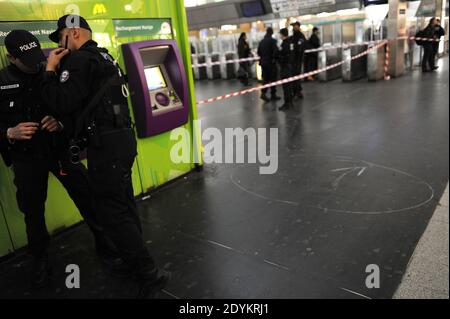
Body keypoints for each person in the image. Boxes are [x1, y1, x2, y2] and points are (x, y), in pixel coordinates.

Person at [39, 15, 168, 298]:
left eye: (59, 37)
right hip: (122, 139)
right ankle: (135, 261)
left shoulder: (79, 61)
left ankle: (147, 271)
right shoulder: (104, 57)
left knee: (112, 213)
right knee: (123, 203)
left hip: (106, 146)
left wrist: (50, 70)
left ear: (72, 33)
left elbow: (59, 101)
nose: (57, 46)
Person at [0, 30, 117, 288]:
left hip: (61, 152)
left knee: (86, 194)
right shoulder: (1, 81)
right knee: (33, 211)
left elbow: (74, 106)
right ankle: (40, 260)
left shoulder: (53, 70)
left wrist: (61, 122)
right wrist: (9, 132)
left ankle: (105, 242)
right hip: (26, 159)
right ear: (10, 58)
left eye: (36, 57)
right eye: (26, 60)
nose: (35, 64)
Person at [257, 27, 281, 102]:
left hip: (263, 63)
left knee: (265, 79)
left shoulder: (261, 41)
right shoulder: (273, 41)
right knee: (273, 79)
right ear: (272, 33)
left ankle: (264, 93)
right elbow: (276, 52)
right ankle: (271, 94)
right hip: (271, 63)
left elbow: (258, 52)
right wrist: (275, 59)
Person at [277, 28, 294, 111]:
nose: (279, 35)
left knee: (285, 86)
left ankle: (287, 103)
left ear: (283, 34)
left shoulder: (284, 44)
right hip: (289, 66)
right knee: (289, 85)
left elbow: (282, 55)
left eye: (280, 34)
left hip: (285, 67)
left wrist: (279, 58)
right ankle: (290, 102)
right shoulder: (290, 42)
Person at [290, 21, 307, 99]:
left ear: (298, 26)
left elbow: (301, 47)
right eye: (293, 26)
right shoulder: (293, 36)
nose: (293, 28)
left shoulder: (301, 36)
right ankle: (297, 91)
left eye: (295, 26)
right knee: (294, 76)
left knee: (296, 75)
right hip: (293, 60)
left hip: (298, 59)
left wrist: (296, 48)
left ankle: (297, 92)